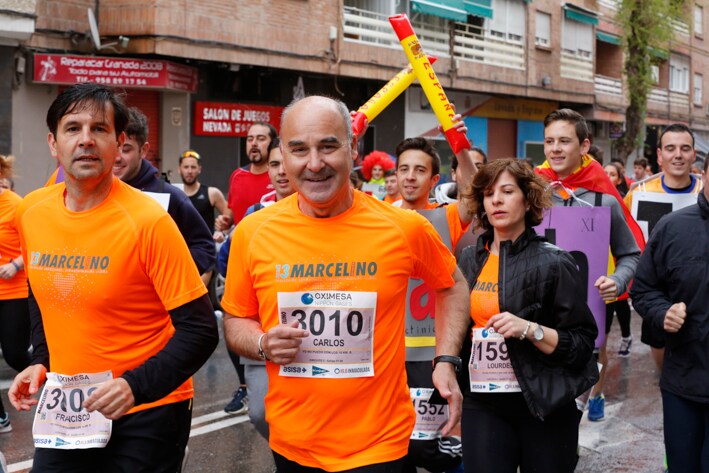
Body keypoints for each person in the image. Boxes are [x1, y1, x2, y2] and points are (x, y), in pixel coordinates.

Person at [221, 95, 470, 472]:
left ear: (353, 149)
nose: (315, 163)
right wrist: (261, 344)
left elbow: (452, 285)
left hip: (379, 445)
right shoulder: (253, 232)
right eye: (299, 149)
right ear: (283, 157)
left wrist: (446, 360)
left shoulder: (403, 227)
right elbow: (236, 319)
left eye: (329, 146)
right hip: (293, 443)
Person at [9, 83, 218, 471]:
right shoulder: (32, 211)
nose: (86, 140)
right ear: (54, 143)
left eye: (99, 129)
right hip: (71, 405)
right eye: (73, 129)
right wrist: (43, 359)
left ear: (119, 142)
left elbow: (201, 330)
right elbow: (40, 290)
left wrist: (133, 386)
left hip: (148, 408)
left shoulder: (149, 220)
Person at [457, 158, 598, 473]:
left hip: (543, 404)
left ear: (527, 198)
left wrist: (530, 330)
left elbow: (581, 344)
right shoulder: (468, 259)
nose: (496, 200)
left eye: (507, 191)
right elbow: (455, 328)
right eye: (489, 193)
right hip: (484, 404)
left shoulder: (555, 262)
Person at [537, 108, 642, 422]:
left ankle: (593, 396)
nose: (555, 148)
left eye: (564, 141)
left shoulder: (603, 199)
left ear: (583, 147)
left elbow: (631, 254)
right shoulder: (531, 193)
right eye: (549, 141)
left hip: (589, 307)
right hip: (538, 311)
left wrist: (618, 281)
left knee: (591, 359)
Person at [391, 133, 475, 473]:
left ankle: (473, 461)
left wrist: (459, 142)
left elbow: (473, 191)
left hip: (432, 350)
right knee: (395, 443)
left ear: (434, 179)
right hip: (389, 349)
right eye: (404, 169)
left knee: (426, 444)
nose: (410, 176)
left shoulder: (447, 217)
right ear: (395, 175)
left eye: (419, 170)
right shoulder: (379, 217)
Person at [630, 156, 709, 473]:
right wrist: (663, 312)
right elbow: (643, 289)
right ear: (703, 175)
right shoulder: (672, 227)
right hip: (683, 383)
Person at [217, 143, 295, 437]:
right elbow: (227, 262)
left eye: (285, 163)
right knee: (261, 414)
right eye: (274, 165)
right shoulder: (255, 213)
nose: (281, 172)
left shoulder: (321, 209)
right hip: (263, 331)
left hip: (310, 335)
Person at [624, 123, 703, 369]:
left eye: (684, 148)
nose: (677, 154)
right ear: (659, 155)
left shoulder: (705, 190)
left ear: (693, 154)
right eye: (670, 148)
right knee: (666, 375)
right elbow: (625, 244)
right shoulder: (638, 193)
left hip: (700, 290)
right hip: (657, 295)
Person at [113, 107, 216, 276]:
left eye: (126, 149)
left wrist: (168, 274)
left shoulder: (169, 196)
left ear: (143, 150)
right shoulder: (93, 193)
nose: (117, 157)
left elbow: (205, 248)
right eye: (114, 147)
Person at [0, 154, 31, 433]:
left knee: (14, 354)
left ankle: (50, 375)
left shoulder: (16, 204)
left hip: (14, 291)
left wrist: (15, 264)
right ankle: (1, 418)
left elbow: (34, 243)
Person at [177, 149, 232, 288]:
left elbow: (229, 216)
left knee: (198, 296)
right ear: (179, 169)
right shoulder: (174, 194)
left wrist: (222, 233)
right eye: (186, 167)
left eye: (193, 167)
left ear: (199, 169)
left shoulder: (211, 193)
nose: (189, 171)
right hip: (179, 254)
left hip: (205, 255)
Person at [217, 122, 276, 229]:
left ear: (273, 143)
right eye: (250, 139)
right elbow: (230, 212)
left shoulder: (281, 177)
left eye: (261, 139)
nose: (254, 143)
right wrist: (223, 221)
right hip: (240, 242)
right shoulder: (237, 175)